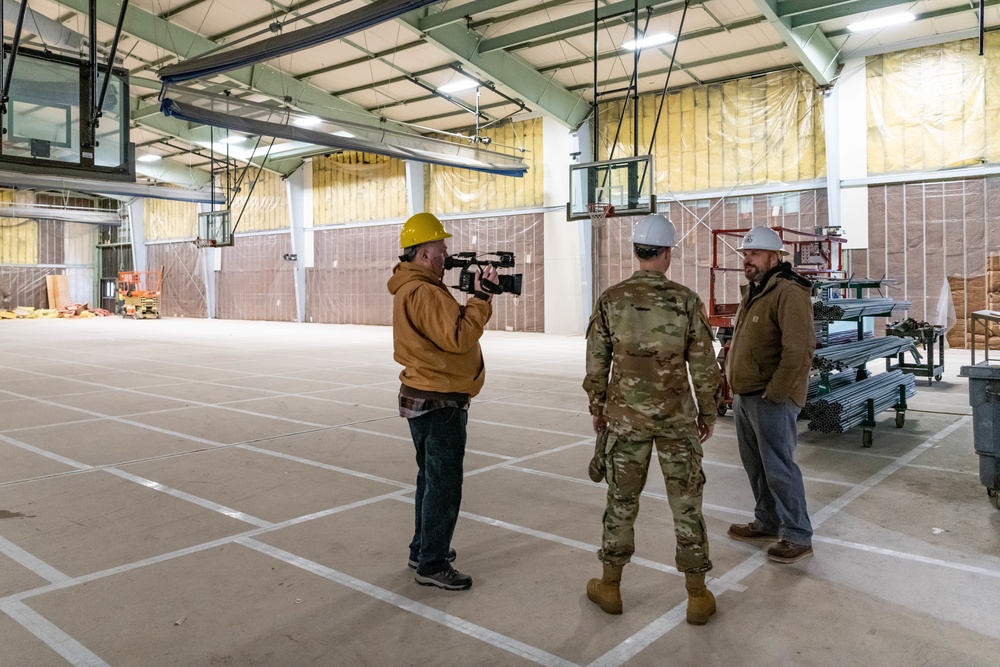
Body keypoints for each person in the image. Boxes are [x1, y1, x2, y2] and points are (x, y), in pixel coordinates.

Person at [583, 213, 722, 624]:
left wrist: (598, 407)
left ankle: (609, 586)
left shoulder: (611, 299)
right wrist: (708, 411)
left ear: (636, 251)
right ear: (667, 253)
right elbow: (704, 365)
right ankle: (697, 595)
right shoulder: (685, 300)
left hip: (625, 421)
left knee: (621, 502)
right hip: (677, 421)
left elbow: (596, 361)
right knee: (687, 506)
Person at [387, 211, 498, 591]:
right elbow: (458, 337)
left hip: (428, 396)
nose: (445, 255)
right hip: (439, 402)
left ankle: (424, 549)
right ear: (422, 254)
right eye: (440, 249)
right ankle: (432, 563)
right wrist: (481, 298)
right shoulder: (423, 291)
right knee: (444, 484)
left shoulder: (419, 287)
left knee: (430, 479)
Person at [725, 226, 815, 563]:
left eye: (755, 254)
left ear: (774, 257)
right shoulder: (755, 290)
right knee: (756, 466)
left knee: (779, 467)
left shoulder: (788, 292)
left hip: (770, 398)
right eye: (746, 254)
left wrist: (776, 393)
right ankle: (767, 521)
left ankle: (797, 534)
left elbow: (799, 350)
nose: (747, 259)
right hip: (746, 395)